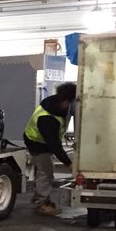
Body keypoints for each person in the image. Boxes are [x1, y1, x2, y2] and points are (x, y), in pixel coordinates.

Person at [23, 82, 76, 216]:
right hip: (37, 144)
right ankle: (41, 204)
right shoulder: (47, 119)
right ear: (66, 101)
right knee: (46, 173)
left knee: (42, 172)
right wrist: (69, 164)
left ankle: (39, 198)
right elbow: (55, 145)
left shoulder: (54, 104)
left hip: (41, 142)